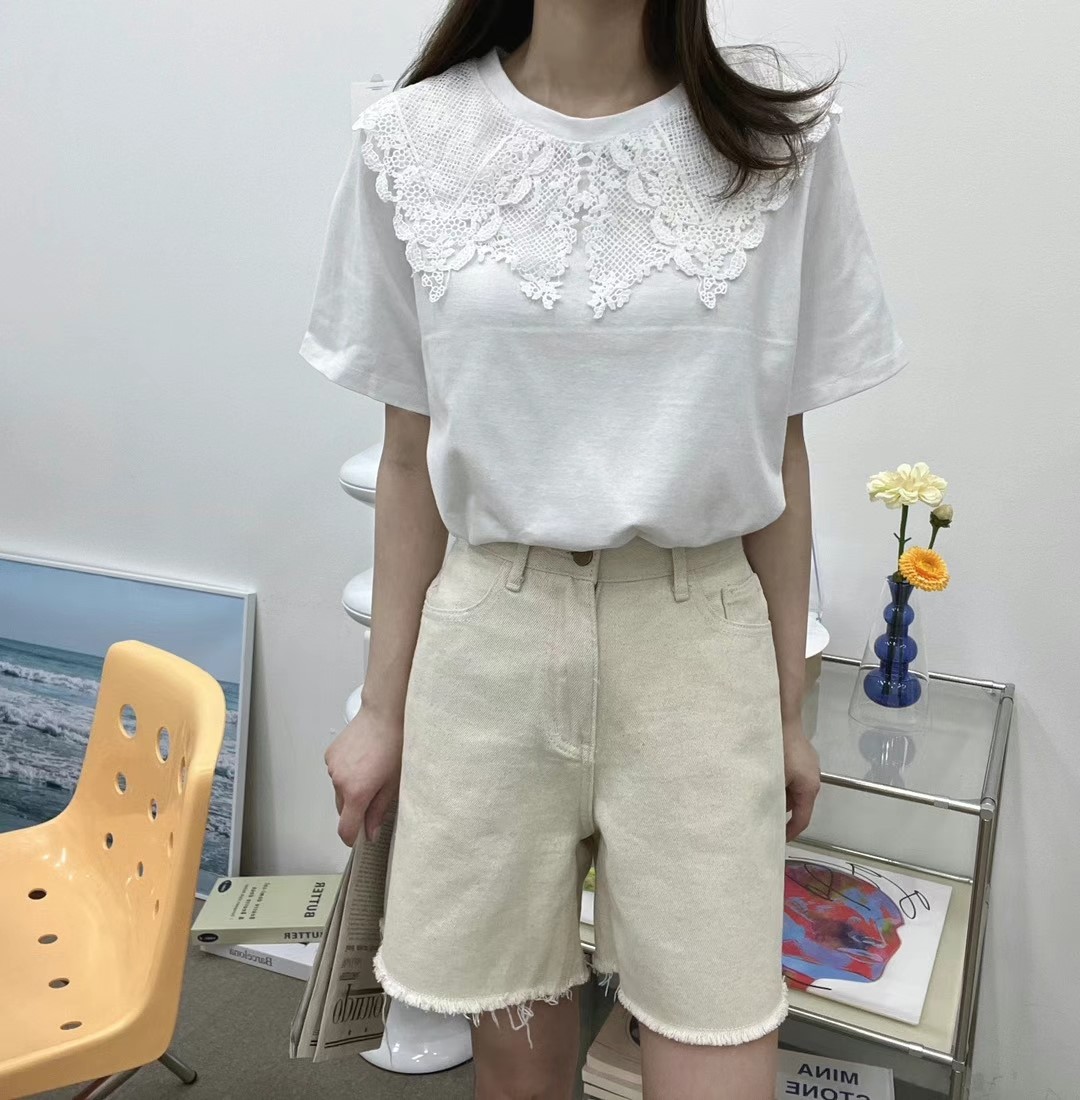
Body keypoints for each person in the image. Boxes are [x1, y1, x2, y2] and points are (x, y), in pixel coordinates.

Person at [299, 2, 909, 1097]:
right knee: (518, 1073)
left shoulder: (778, 146)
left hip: (696, 649)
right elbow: (407, 457)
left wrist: (785, 709)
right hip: (490, 643)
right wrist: (382, 709)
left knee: (720, 1041)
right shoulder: (411, 140)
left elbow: (782, 450)